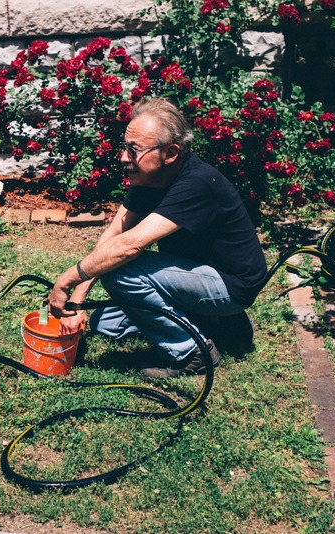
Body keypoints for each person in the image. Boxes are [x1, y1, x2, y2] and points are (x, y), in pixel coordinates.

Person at [48, 98, 267, 378]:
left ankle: (193, 352)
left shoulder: (197, 183)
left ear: (171, 153)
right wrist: (77, 301)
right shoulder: (149, 179)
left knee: (119, 271)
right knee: (105, 323)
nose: (124, 157)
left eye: (134, 150)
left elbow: (129, 245)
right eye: (125, 147)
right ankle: (216, 323)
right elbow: (114, 234)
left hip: (231, 285)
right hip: (192, 274)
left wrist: (66, 280)